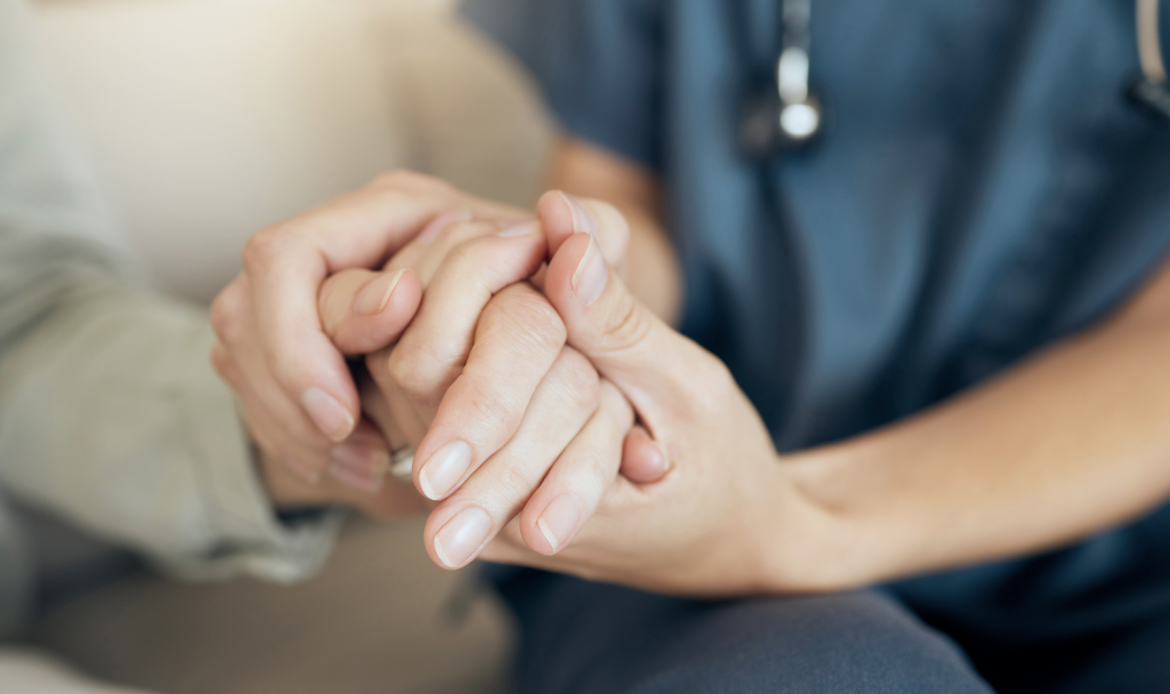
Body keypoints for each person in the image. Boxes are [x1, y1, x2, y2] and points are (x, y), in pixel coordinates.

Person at [212, 0, 1170, 691]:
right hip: (673, 520)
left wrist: (791, 524)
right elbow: (626, 208)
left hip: (1113, 568)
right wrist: (556, 283)